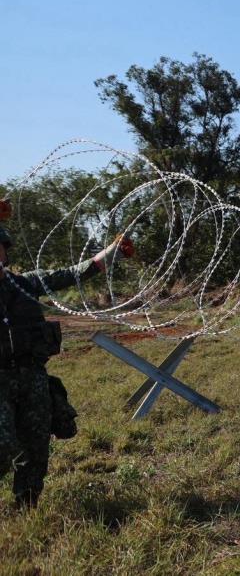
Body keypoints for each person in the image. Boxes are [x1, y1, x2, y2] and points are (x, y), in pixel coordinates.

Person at [0, 211, 133, 508]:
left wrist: (113, 252)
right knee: (2, 443)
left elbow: (77, 271)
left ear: (5, 251)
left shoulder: (26, 284)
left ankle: (27, 506)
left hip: (32, 376)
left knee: (36, 445)